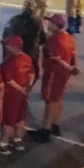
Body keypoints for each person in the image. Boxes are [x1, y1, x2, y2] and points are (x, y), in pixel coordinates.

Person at [34, 14, 78, 142]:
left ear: (55, 25)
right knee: (58, 98)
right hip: (63, 74)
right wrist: (72, 67)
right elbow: (73, 54)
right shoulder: (68, 37)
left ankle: (45, 129)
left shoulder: (54, 40)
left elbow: (56, 58)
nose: (48, 24)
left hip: (54, 73)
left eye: (50, 22)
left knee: (50, 100)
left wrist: (69, 68)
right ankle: (55, 125)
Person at [0, 35, 35, 152]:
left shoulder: (8, 63)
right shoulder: (27, 58)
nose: (5, 47)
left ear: (14, 47)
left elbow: (8, 80)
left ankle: (3, 143)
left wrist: (20, 89)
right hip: (23, 96)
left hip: (11, 95)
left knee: (8, 120)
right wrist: (27, 88)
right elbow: (32, 74)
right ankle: (18, 140)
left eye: (7, 45)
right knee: (20, 118)